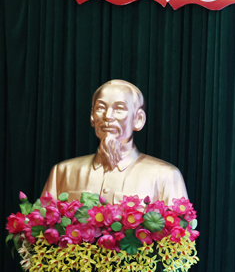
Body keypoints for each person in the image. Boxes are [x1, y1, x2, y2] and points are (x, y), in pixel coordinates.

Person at [43, 79, 188, 203]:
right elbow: (42, 224)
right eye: (100, 108)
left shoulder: (165, 176)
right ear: (92, 116)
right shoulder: (62, 172)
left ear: (138, 119)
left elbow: (179, 227)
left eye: (119, 109)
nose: (108, 116)